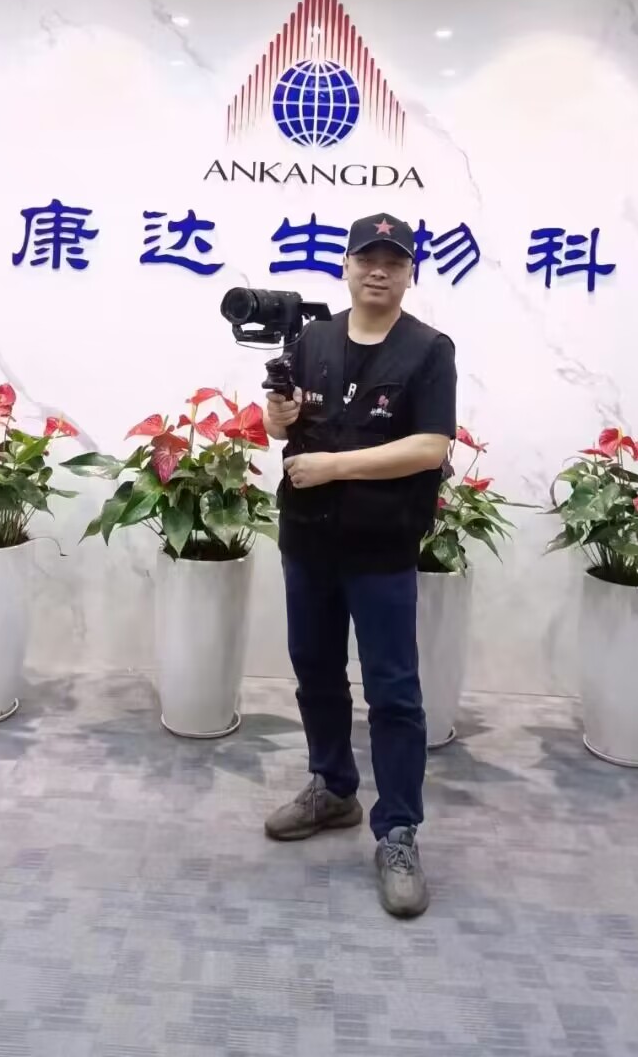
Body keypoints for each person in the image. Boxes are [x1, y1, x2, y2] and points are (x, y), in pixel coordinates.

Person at [262, 212, 456, 919]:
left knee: (394, 691)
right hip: (308, 540)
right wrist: (278, 419)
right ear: (345, 265)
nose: (379, 270)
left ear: (410, 273)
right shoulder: (311, 340)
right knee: (315, 671)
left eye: (393, 261)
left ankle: (398, 830)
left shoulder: (428, 350)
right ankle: (333, 787)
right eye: (366, 258)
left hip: (381, 546)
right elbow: (280, 428)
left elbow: (430, 446)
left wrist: (336, 466)